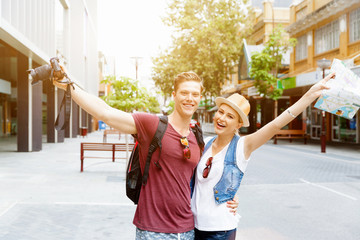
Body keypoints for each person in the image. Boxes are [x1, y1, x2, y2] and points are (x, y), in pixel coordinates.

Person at [53, 71, 237, 239]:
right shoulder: (152, 125)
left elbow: (202, 179)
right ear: (174, 95)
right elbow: (106, 112)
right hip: (152, 230)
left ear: (200, 98)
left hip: (187, 229)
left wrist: (228, 196)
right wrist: (69, 86)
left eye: (195, 94)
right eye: (184, 93)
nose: (190, 98)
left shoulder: (197, 136)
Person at [190, 72, 336, 240]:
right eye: (221, 112)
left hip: (220, 230)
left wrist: (310, 95)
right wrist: (233, 193)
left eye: (230, 116)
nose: (222, 118)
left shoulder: (242, 146)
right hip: (193, 225)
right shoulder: (205, 143)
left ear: (238, 124)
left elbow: (275, 125)